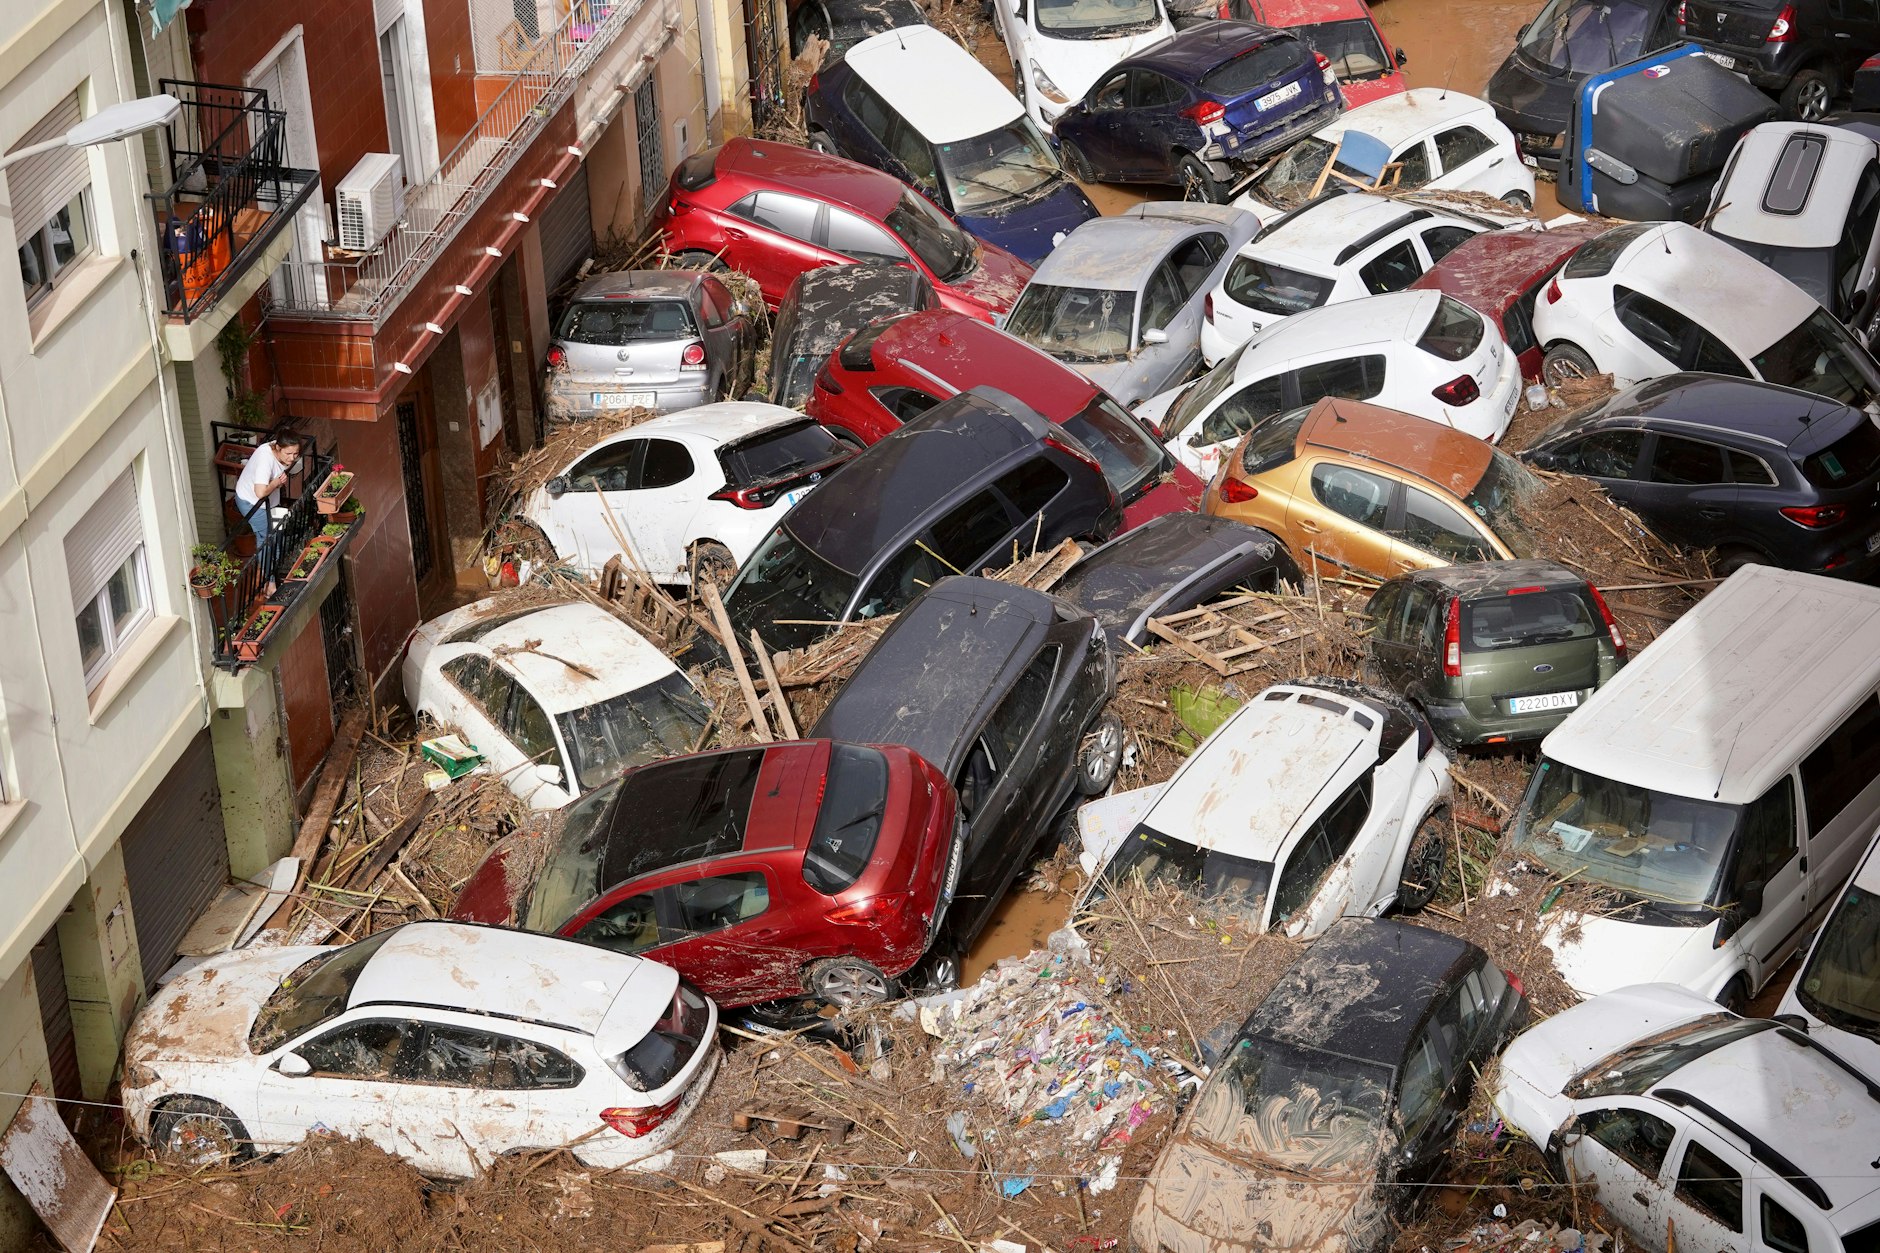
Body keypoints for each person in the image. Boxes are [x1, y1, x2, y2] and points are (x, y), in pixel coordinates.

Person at [234, 432, 303, 546]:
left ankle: (276, 560)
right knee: (266, 540)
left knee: (276, 534)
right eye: (288, 453)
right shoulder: (265, 461)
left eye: (295, 453)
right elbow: (260, 493)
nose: (292, 458)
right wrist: (276, 483)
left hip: (269, 502)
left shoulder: (279, 448)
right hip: (252, 503)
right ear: (278, 448)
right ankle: (269, 564)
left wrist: (278, 483)